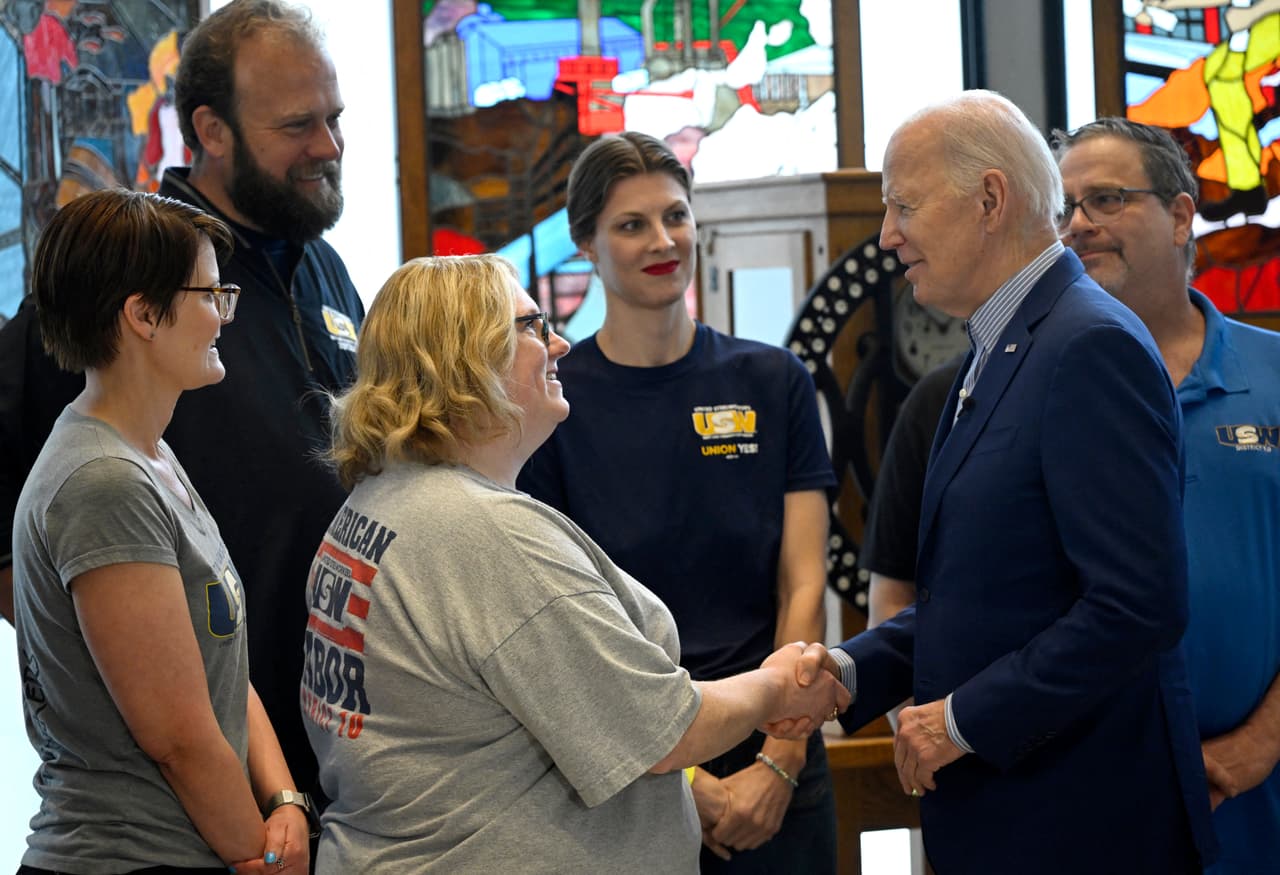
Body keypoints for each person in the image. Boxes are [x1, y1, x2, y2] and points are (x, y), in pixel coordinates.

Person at [300, 253, 849, 873]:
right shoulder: (484, 533)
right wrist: (777, 687)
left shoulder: (379, 500)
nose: (559, 343)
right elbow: (661, 734)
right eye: (532, 327)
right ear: (465, 359)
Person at [793, 91, 1218, 873]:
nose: (887, 235)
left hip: (1081, 827)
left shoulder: (1087, 346)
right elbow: (996, 595)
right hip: (1014, 821)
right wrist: (848, 671)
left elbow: (1137, 605)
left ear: (990, 199)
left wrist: (960, 719)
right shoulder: (1007, 344)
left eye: (904, 206)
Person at [0, 0, 362, 796]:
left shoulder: (327, 269)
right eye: (298, 125)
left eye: (335, 118)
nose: (328, 146)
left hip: (332, 750)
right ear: (211, 130)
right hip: (187, 776)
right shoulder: (124, 269)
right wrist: (115, 669)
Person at [518, 131, 839, 870]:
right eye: (632, 225)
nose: (663, 241)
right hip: (632, 767)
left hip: (778, 749)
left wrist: (782, 755)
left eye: (676, 216)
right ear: (587, 245)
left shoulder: (774, 380)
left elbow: (803, 583)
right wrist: (686, 779)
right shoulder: (554, 407)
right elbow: (564, 629)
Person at [12, 188, 309, 874]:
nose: (224, 314)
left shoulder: (149, 453)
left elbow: (218, 669)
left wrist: (284, 798)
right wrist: (260, 853)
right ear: (143, 314)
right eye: (210, 294)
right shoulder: (103, 480)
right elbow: (177, 739)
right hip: (128, 857)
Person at [1054, 116, 1280, 875]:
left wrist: (1260, 743)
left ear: (1182, 216)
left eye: (1106, 199)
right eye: (1066, 207)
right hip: (1087, 799)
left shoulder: (1275, 377)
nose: (1079, 224)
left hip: (1261, 797)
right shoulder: (1036, 389)